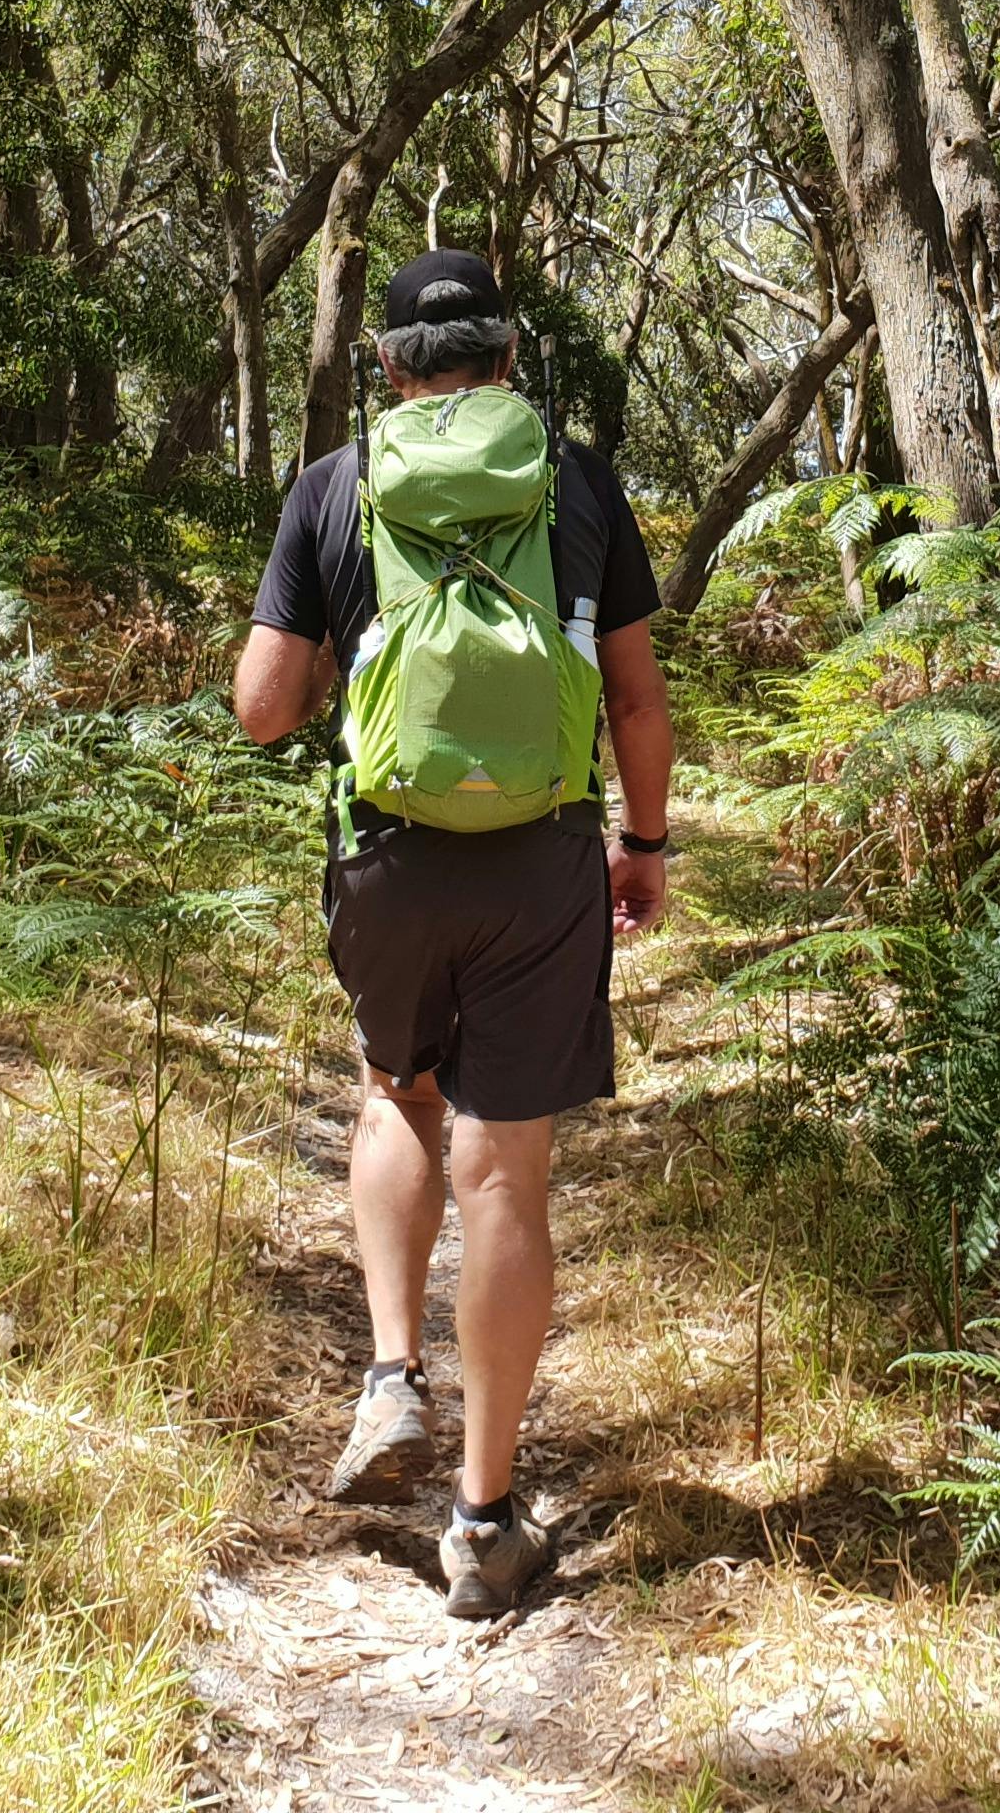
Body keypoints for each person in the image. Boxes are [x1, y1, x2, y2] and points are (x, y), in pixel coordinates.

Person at [231, 247, 674, 1621]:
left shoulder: (336, 485)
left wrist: (341, 665)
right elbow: (638, 699)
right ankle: (483, 1524)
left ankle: (385, 1377)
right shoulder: (582, 483)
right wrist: (643, 846)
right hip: (544, 863)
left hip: (387, 860)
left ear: (387, 366)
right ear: (512, 353)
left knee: (397, 1097)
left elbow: (260, 708)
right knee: (507, 1175)